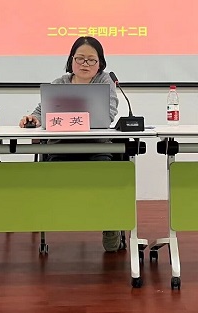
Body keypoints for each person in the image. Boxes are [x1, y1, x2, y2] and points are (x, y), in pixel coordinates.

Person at [19, 36, 122, 252]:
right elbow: (41, 111)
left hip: (96, 148)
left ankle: (111, 224)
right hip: (61, 147)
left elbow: (109, 114)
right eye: (80, 58)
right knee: (56, 178)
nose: (85, 64)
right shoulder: (60, 83)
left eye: (91, 60)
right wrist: (33, 118)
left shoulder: (105, 82)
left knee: (108, 178)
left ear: (100, 63)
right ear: (71, 60)